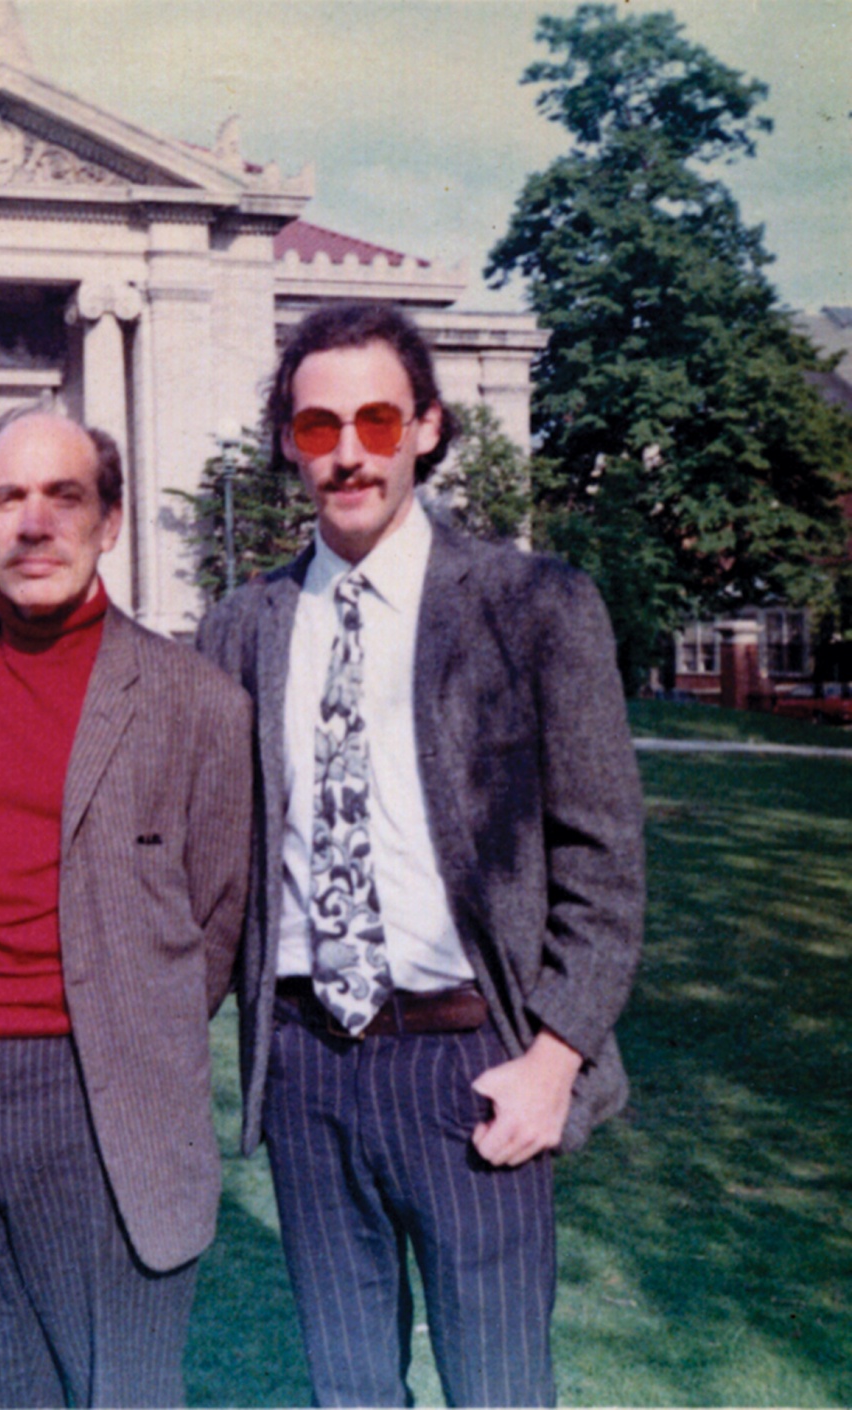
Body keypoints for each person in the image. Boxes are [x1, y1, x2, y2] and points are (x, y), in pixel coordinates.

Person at [197, 302, 645, 1407]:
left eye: (375, 420)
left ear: (426, 429)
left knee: (497, 1389)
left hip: (470, 1064)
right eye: (314, 428)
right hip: (304, 1066)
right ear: (287, 444)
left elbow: (603, 865)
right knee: (348, 1395)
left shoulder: (530, 605)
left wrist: (551, 1061)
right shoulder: (239, 628)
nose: (345, 453)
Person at [0, 407, 252, 1408]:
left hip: (97, 1099)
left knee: (121, 1391)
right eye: (5, 497)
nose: (33, 523)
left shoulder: (194, 701)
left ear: (108, 520)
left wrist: (118, 1025)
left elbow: (215, 918)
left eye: (63, 495)